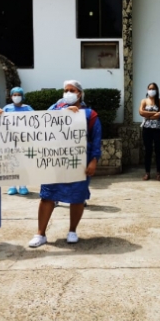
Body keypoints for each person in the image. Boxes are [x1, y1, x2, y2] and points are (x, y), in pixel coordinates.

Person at [28, 80, 102, 248]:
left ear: (80, 93)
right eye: (65, 90)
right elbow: (40, 122)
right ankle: (40, 233)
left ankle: (72, 231)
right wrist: (63, 113)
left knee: (77, 197)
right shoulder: (55, 109)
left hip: (78, 163)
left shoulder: (90, 115)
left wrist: (93, 160)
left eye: (72, 90)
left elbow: (96, 140)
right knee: (47, 195)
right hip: (55, 162)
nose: (68, 93)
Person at [0, 87, 33, 196]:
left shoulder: (28, 108)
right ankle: (12, 185)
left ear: (22, 96)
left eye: (18, 95)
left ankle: (23, 185)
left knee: (23, 163)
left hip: (24, 141)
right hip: (9, 141)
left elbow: (35, 121)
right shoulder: (6, 108)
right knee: (11, 162)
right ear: (11, 96)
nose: (16, 97)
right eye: (14, 95)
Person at [140, 82, 160, 181]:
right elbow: (141, 112)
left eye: (153, 88)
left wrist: (148, 115)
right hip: (147, 129)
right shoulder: (144, 101)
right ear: (147, 90)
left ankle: (159, 172)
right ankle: (147, 172)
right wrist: (155, 113)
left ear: (157, 90)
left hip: (158, 129)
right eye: (150, 88)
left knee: (158, 150)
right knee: (148, 151)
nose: (151, 90)